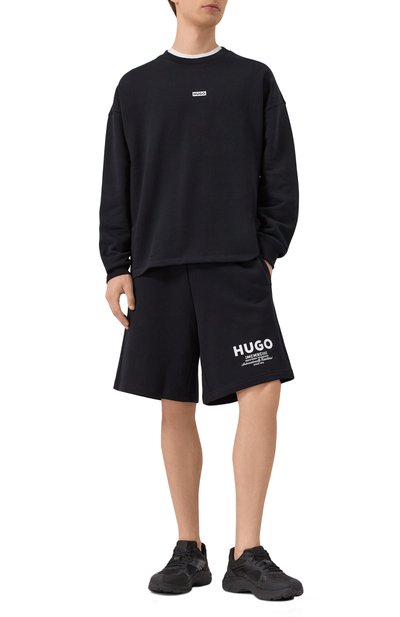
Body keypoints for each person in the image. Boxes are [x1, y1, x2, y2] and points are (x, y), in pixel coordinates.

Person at [98, 0, 303, 602]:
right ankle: (189, 549)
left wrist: (267, 251)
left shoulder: (253, 79)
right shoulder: (136, 87)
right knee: (174, 400)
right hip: (158, 266)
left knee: (263, 388)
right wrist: (117, 265)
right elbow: (117, 182)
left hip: (235, 266)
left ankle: (248, 553)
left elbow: (281, 172)